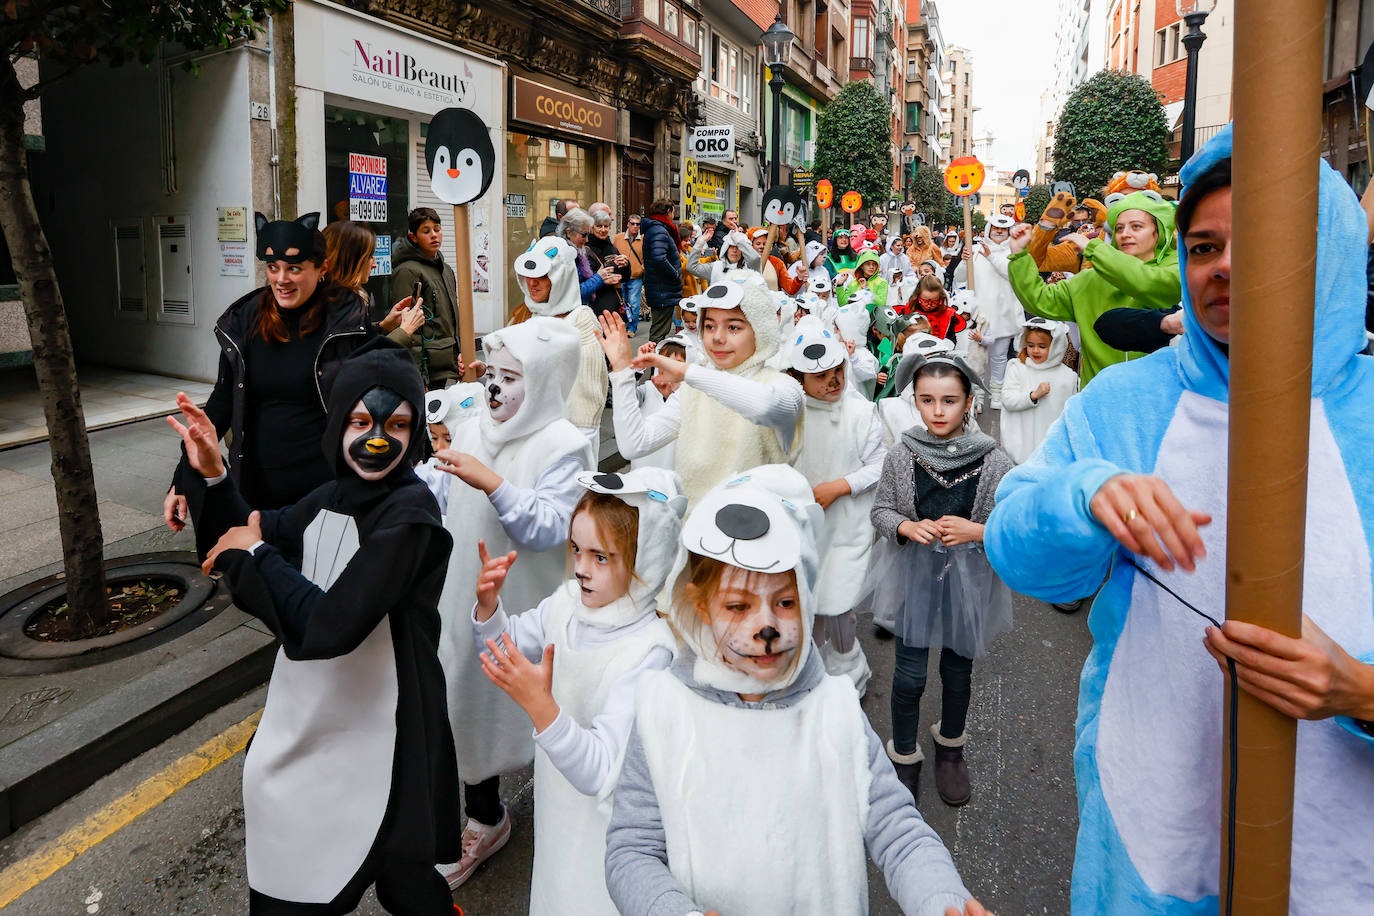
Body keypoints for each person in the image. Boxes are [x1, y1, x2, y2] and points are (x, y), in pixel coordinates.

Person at [986, 126, 1374, 913]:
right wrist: (1084, 497)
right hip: (1150, 849)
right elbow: (1014, 544)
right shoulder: (1130, 404)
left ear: (1324, 251)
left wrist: (1361, 692)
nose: (1224, 266)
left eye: (1258, 239)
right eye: (1203, 248)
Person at [603, 467, 991, 916]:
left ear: (806, 598)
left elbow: (898, 829)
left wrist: (941, 900)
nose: (766, 627)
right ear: (701, 605)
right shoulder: (662, 710)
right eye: (738, 605)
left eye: (785, 602)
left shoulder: (835, 710)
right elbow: (632, 849)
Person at [168, 339, 458, 914]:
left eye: (397, 425)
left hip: (391, 729)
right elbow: (243, 535)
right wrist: (214, 472)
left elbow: (329, 625)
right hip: (318, 718)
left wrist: (256, 556)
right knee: (306, 865)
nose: (377, 439)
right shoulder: (330, 495)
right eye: (359, 420)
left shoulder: (410, 517)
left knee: (403, 871)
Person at [470, 468, 684, 915]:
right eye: (576, 550)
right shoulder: (566, 603)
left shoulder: (649, 652)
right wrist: (489, 608)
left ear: (645, 560)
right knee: (552, 886)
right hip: (557, 808)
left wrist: (541, 708)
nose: (582, 568)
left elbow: (603, 772)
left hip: (605, 832)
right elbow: (502, 646)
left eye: (602, 557)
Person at [430, 317, 597, 890]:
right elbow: (442, 489)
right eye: (491, 375)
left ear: (546, 385)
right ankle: (486, 814)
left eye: (511, 378)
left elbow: (550, 528)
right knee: (463, 705)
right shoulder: (475, 425)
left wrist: (492, 483)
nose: (494, 389)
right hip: (460, 598)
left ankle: (559, 824)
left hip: (525, 607)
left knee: (531, 711)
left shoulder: (566, 445)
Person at [164, 213, 377, 550]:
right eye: (273, 267)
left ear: (321, 269)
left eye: (294, 268)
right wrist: (182, 480)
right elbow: (219, 407)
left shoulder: (346, 320)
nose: (282, 279)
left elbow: (377, 393)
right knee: (264, 589)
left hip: (327, 491)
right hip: (257, 495)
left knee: (319, 593)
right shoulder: (246, 320)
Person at [866, 352, 1014, 806]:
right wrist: (906, 527)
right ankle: (905, 753)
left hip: (968, 580)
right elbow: (881, 511)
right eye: (927, 400)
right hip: (915, 578)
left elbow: (1012, 526)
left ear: (969, 401)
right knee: (908, 675)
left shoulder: (994, 461)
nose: (938, 411)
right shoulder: (902, 453)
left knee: (957, 670)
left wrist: (977, 531)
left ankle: (950, 746)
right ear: (915, 401)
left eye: (949, 400)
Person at [600, 275, 804, 506]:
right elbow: (633, 444)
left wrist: (689, 372)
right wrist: (622, 372)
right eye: (709, 326)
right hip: (697, 534)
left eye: (734, 327)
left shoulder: (784, 385)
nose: (717, 337)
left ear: (760, 331)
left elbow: (766, 406)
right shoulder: (691, 393)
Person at [786, 321, 886, 690]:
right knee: (809, 599)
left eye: (837, 372)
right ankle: (811, 670)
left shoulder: (860, 413)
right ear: (799, 378)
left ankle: (848, 671)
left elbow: (880, 463)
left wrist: (841, 486)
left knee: (840, 599)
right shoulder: (790, 416)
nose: (833, 382)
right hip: (804, 527)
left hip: (848, 523)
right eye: (820, 376)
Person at [1006, 190, 1180, 385]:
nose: (1125, 234)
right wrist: (1019, 254)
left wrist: (1093, 249)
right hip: (1099, 401)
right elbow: (1038, 299)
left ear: (1158, 231)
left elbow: (1150, 283)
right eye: (1120, 228)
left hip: (1162, 405)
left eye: (1136, 226)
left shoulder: (1179, 267)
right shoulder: (1091, 279)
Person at [511, 235, 608, 444]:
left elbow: (588, 395)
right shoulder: (523, 314)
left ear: (560, 277)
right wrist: (483, 372)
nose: (532, 283)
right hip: (527, 433)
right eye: (528, 275)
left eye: (543, 275)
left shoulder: (581, 320)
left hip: (566, 438)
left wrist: (578, 442)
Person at [391, 207, 461, 387]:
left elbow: (452, 317)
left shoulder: (446, 269)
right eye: (426, 231)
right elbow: (407, 327)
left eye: (437, 229)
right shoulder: (407, 271)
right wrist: (418, 376)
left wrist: (460, 353)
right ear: (413, 237)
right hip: (425, 369)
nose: (434, 235)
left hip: (447, 361)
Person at [322, 220, 427, 338]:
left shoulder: (336, 299)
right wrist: (404, 331)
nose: (375, 264)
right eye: (369, 256)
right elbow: (363, 355)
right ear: (351, 260)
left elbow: (359, 341)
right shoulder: (341, 306)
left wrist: (383, 326)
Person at [998, 317, 1078, 464]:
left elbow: (1072, 414)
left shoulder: (1068, 376)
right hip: (1020, 453)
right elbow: (1008, 399)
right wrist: (1033, 396)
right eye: (1030, 345)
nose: (1035, 350)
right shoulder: (1017, 367)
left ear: (1055, 347)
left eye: (1042, 346)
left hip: (1052, 455)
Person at [968, 214, 1023, 407]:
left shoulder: (1015, 251)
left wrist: (990, 256)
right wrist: (963, 259)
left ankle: (997, 394)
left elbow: (1010, 273)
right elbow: (961, 276)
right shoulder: (974, 250)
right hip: (981, 314)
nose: (999, 232)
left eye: (1003, 229)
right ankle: (978, 396)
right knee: (977, 358)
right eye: (995, 228)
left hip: (1004, 312)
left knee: (999, 357)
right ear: (989, 229)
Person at [559, 208, 622, 315]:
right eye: (584, 235)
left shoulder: (578, 251)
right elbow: (572, 293)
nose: (587, 240)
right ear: (569, 232)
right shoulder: (562, 255)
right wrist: (599, 278)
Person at [1027, 193, 1109, 274]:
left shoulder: (1103, 234)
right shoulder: (1075, 243)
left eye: (1084, 220)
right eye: (1077, 221)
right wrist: (1046, 226)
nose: (1082, 224)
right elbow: (1034, 260)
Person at [639, 198, 684, 343]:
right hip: (662, 288)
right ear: (669, 211)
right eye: (673, 211)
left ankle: (655, 362)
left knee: (660, 330)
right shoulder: (659, 230)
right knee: (659, 332)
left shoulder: (657, 229)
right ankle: (654, 363)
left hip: (661, 287)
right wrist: (675, 274)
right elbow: (659, 258)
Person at [585, 209, 628, 320]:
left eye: (606, 226)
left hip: (615, 303)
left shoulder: (612, 247)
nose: (603, 230)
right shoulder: (586, 249)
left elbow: (625, 277)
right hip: (597, 304)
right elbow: (586, 279)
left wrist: (626, 265)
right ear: (592, 227)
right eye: (599, 226)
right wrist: (613, 266)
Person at [686, 228, 759, 284]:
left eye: (738, 247)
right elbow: (692, 267)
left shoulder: (750, 267)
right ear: (726, 248)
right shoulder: (716, 267)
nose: (734, 250)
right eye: (731, 247)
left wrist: (739, 240)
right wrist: (700, 242)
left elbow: (755, 259)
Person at [614, 214, 646, 333]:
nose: (635, 226)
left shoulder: (643, 239)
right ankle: (621, 326)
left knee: (633, 303)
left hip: (635, 276)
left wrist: (642, 267)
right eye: (632, 223)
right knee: (620, 302)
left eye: (638, 224)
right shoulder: (618, 238)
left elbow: (647, 257)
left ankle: (631, 328)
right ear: (628, 224)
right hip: (620, 276)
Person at [751, 227, 803, 294]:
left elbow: (790, 289)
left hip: (772, 302)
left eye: (765, 244)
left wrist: (799, 278)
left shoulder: (777, 262)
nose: (762, 246)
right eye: (758, 244)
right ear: (751, 245)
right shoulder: (744, 262)